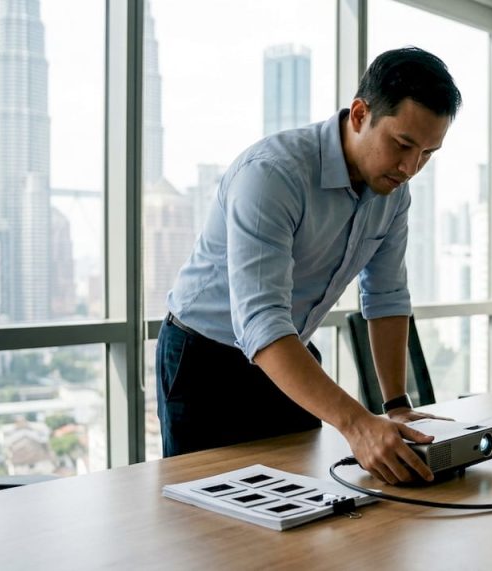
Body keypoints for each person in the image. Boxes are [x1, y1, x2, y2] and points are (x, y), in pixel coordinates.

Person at [156, 47, 461, 485]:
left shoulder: (393, 193)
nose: (411, 167)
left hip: (290, 352)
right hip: (206, 358)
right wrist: (357, 424)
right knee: (209, 511)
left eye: (428, 153)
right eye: (402, 144)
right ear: (360, 115)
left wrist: (396, 404)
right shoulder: (272, 174)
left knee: (304, 496)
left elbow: (387, 297)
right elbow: (261, 321)